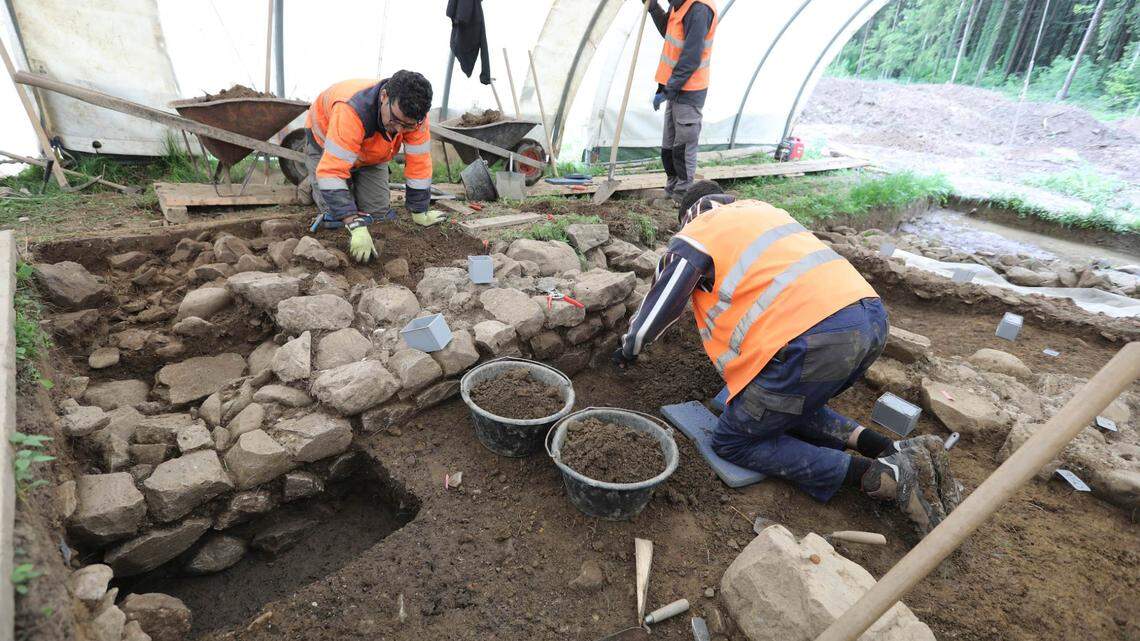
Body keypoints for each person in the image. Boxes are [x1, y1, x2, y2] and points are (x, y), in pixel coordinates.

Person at [613, 180, 960, 535]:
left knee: (733, 439)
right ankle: (894, 448)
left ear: (688, 215)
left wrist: (630, 347)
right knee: (788, 402)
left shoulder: (699, 231)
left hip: (813, 339)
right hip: (869, 320)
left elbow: (659, 303)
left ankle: (883, 476)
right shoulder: (763, 213)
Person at [304, 70, 445, 263]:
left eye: (408, 126)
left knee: (378, 216)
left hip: (372, 155)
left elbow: (419, 166)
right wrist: (354, 224)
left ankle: (348, 182)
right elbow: (332, 172)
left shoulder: (416, 117)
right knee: (336, 216)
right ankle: (313, 181)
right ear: (384, 96)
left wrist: (419, 210)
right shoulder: (351, 109)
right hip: (327, 146)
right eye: (395, 121)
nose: (400, 131)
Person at [644, 0, 717, 203]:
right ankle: (671, 191)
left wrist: (669, 88)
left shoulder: (699, 10)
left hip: (689, 88)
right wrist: (653, 8)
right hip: (674, 87)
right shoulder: (679, 4)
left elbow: (691, 57)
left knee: (682, 148)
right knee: (668, 148)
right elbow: (669, 30)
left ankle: (681, 197)